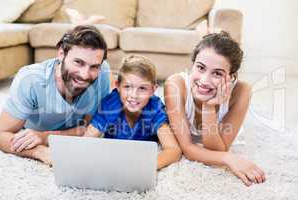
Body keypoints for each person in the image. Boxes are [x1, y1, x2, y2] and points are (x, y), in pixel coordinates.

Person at [164, 31, 266, 186]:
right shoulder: (175, 85)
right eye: (200, 68)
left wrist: (209, 106)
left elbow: (219, 148)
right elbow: (187, 148)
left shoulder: (242, 91)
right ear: (192, 64)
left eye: (217, 73)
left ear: (231, 77)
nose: (204, 80)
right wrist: (229, 158)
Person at [0, 25, 110, 164]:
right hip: (32, 128)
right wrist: (40, 151)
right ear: (61, 54)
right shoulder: (30, 79)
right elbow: (0, 135)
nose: (85, 75)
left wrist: (45, 137)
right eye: (78, 62)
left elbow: (90, 127)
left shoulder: (102, 72)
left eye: (94, 66)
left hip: (56, 131)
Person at [84, 55, 181, 170]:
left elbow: (173, 150)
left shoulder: (154, 108)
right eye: (127, 87)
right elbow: (86, 141)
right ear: (118, 86)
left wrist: (145, 167)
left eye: (142, 88)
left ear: (153, 90)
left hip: (143, 151)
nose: (134, 95)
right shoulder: (109, 105)